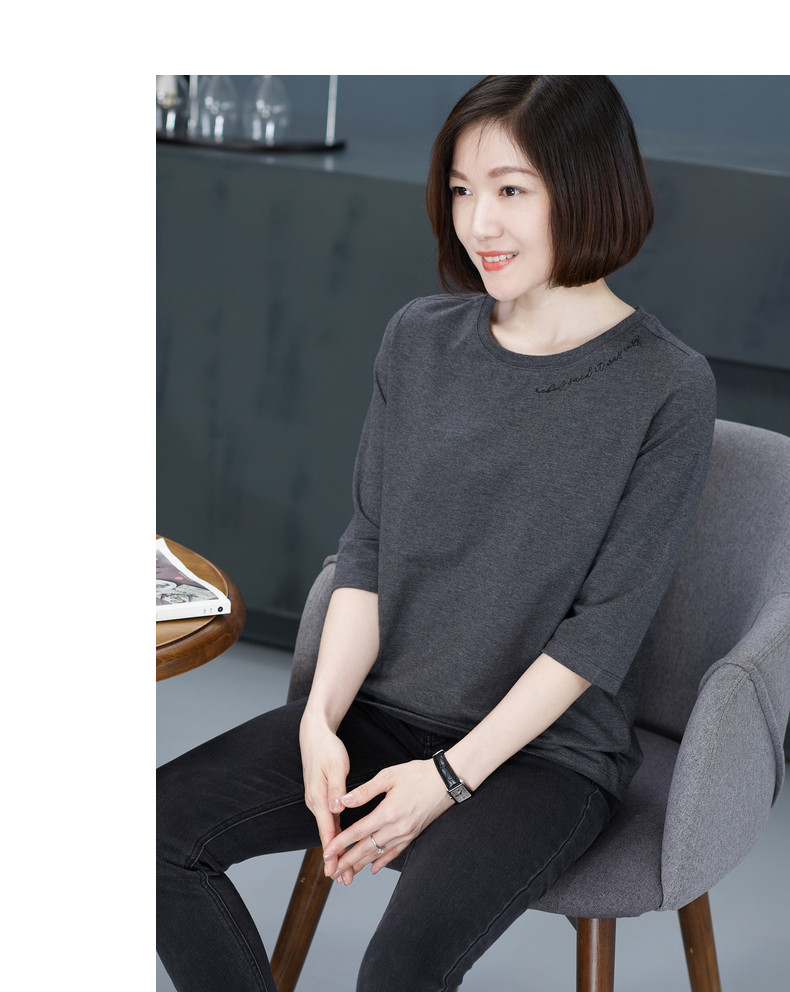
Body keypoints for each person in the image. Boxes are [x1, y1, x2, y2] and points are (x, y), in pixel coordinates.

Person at [157, 76, 716, 992]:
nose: (479, 223)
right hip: (382, 714)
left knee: (399, 970)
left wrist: (448, 779)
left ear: (589, 187)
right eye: (462, 190)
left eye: (511, 189)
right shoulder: (418, 338)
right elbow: (368, 552)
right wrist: (319, 722)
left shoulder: (666, 386)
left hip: (542, 756)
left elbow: (601, 633)